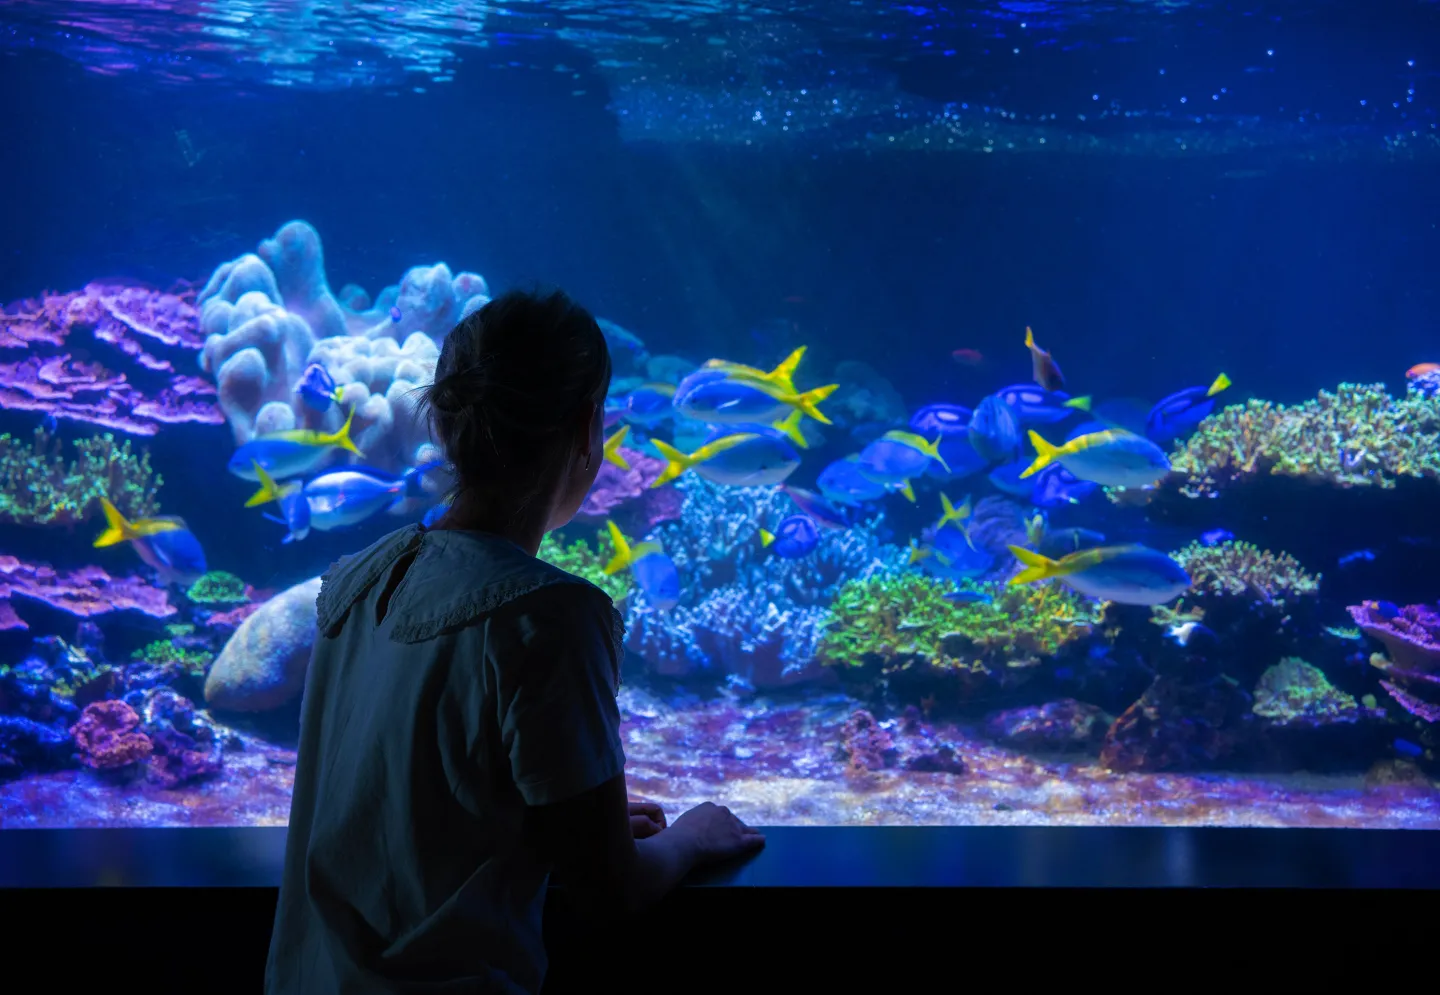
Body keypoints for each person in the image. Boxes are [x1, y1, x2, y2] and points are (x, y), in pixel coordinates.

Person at [265, 289, 766, 994]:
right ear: (588, 428)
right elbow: (611, 891)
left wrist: (557, 820)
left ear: (445, 417)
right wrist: (692, 838)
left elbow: (404, 802)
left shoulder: (355, 579)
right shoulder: (552, 616)